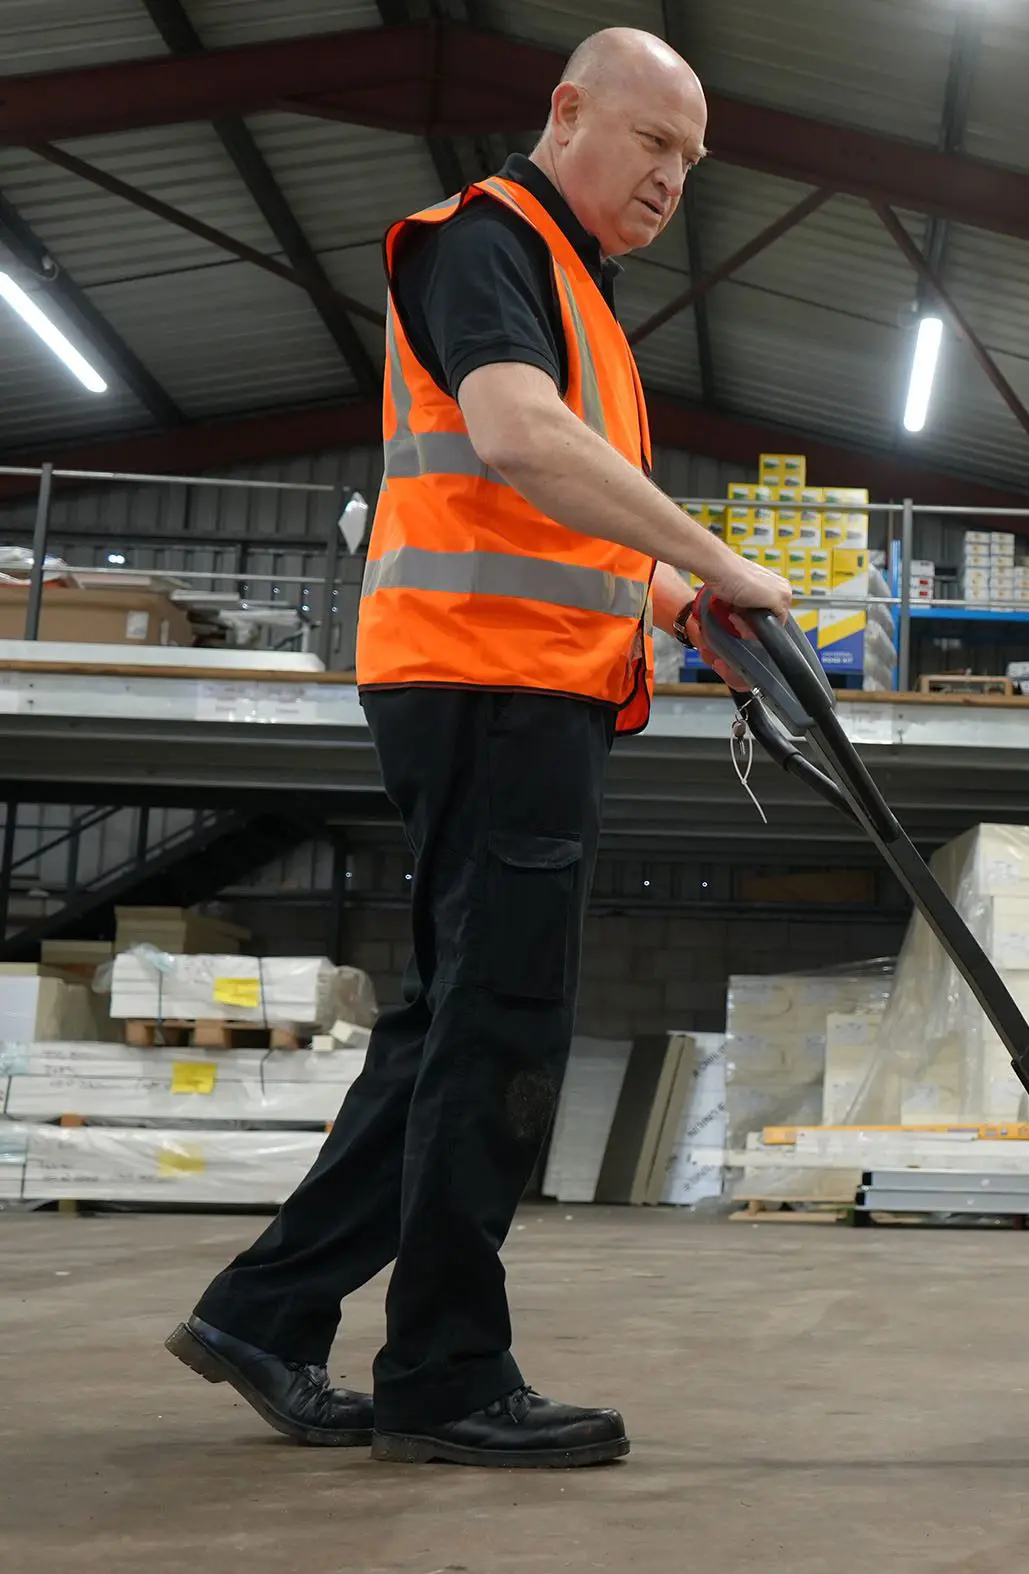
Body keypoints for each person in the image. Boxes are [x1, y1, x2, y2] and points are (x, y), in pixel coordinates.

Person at [165, 27, 791, 1470]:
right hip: (491, 688)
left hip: (521, 688)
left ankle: (265, 1312)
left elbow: (558, 509)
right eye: (654, 143)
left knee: (454, 1026)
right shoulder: (483, 244)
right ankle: (445, 1371)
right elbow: (515, 440)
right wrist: (719, 556)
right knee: (501, 1028)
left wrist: (677, 595)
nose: (673, 180)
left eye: (691, 161)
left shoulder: (575, 289)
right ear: (568, 112)